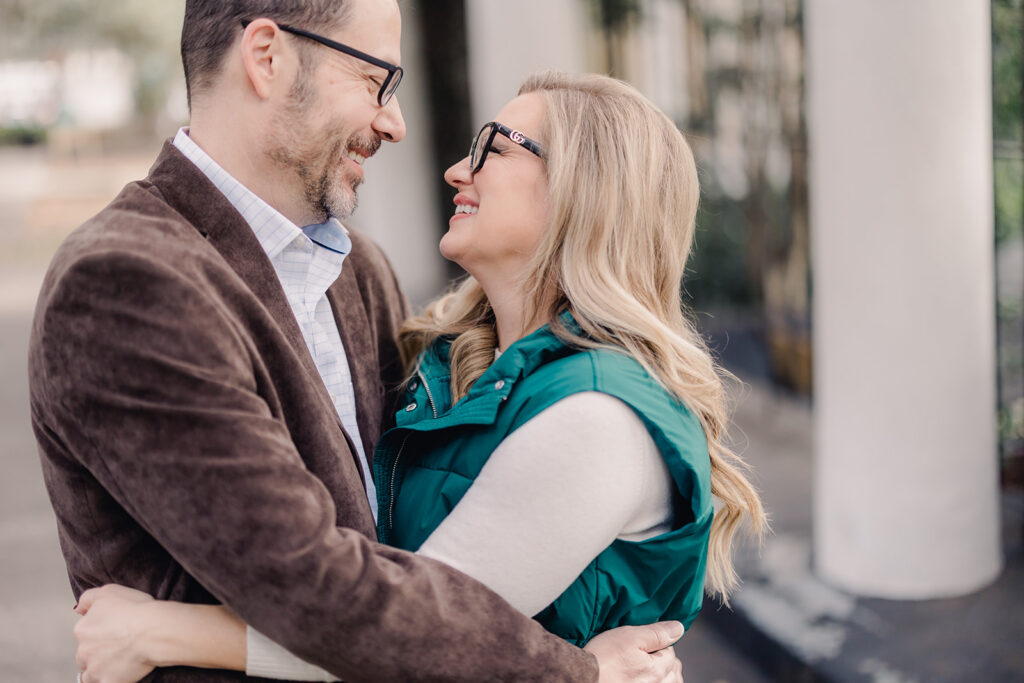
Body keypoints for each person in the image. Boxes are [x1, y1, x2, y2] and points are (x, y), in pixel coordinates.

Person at [29, 0, 687, 681]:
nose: (396, 124)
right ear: (266, 57)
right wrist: (576, 673)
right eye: (376, 82)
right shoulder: (126, 282)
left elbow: (412, 561)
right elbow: (316, 587)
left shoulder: (357, 270)